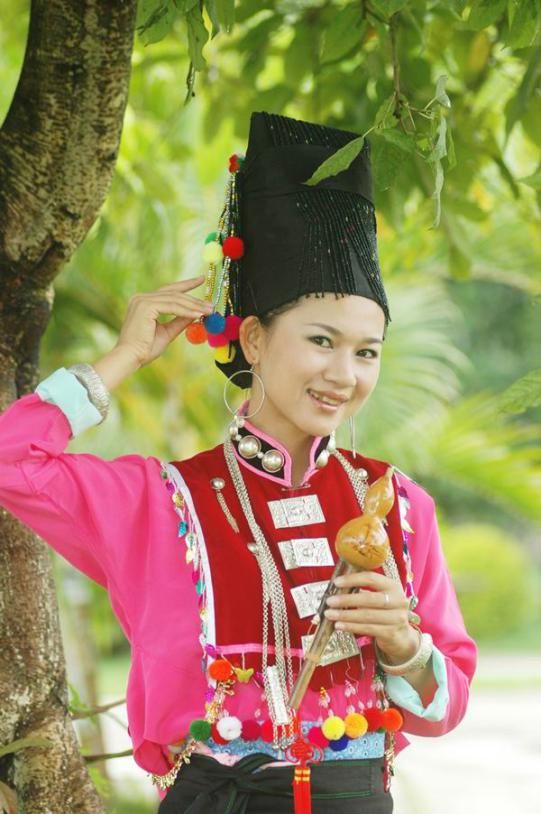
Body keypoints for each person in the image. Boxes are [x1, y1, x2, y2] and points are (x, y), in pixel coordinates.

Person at [0, 111, 477, 813]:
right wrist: (124, 357)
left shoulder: (396, 505)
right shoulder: (161, 502)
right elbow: (12, 460)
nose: (343, 374)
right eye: (321, 341)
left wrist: (405, 644)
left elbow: (446, 706)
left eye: (366, 352)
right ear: (253, 339)